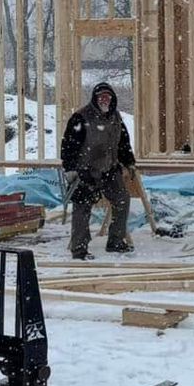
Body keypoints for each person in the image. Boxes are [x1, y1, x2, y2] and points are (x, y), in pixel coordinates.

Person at [60, 81, 136, 259]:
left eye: (107, 97)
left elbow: (123, 144)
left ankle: (116, 241)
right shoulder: (81, 117)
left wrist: (129, 162)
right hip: (85, 171)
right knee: (82, 208)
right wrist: (70, 168)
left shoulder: (115, 117)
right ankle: (79, 249)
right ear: (95, 98)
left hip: (109, 170)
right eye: (101, 96)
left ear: (112, 99)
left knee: (122, 199)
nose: (104, 100)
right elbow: (68, 145)